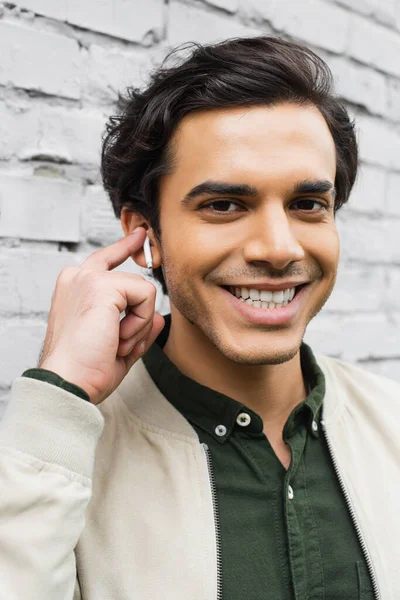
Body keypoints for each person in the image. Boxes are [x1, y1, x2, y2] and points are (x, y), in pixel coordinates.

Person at [0, 36, 398, 600]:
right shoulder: (58, 467)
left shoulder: (392, 423)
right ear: (145, 237)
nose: (278, 248)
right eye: (224, 205)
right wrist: (57, 393)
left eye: (308, 204)